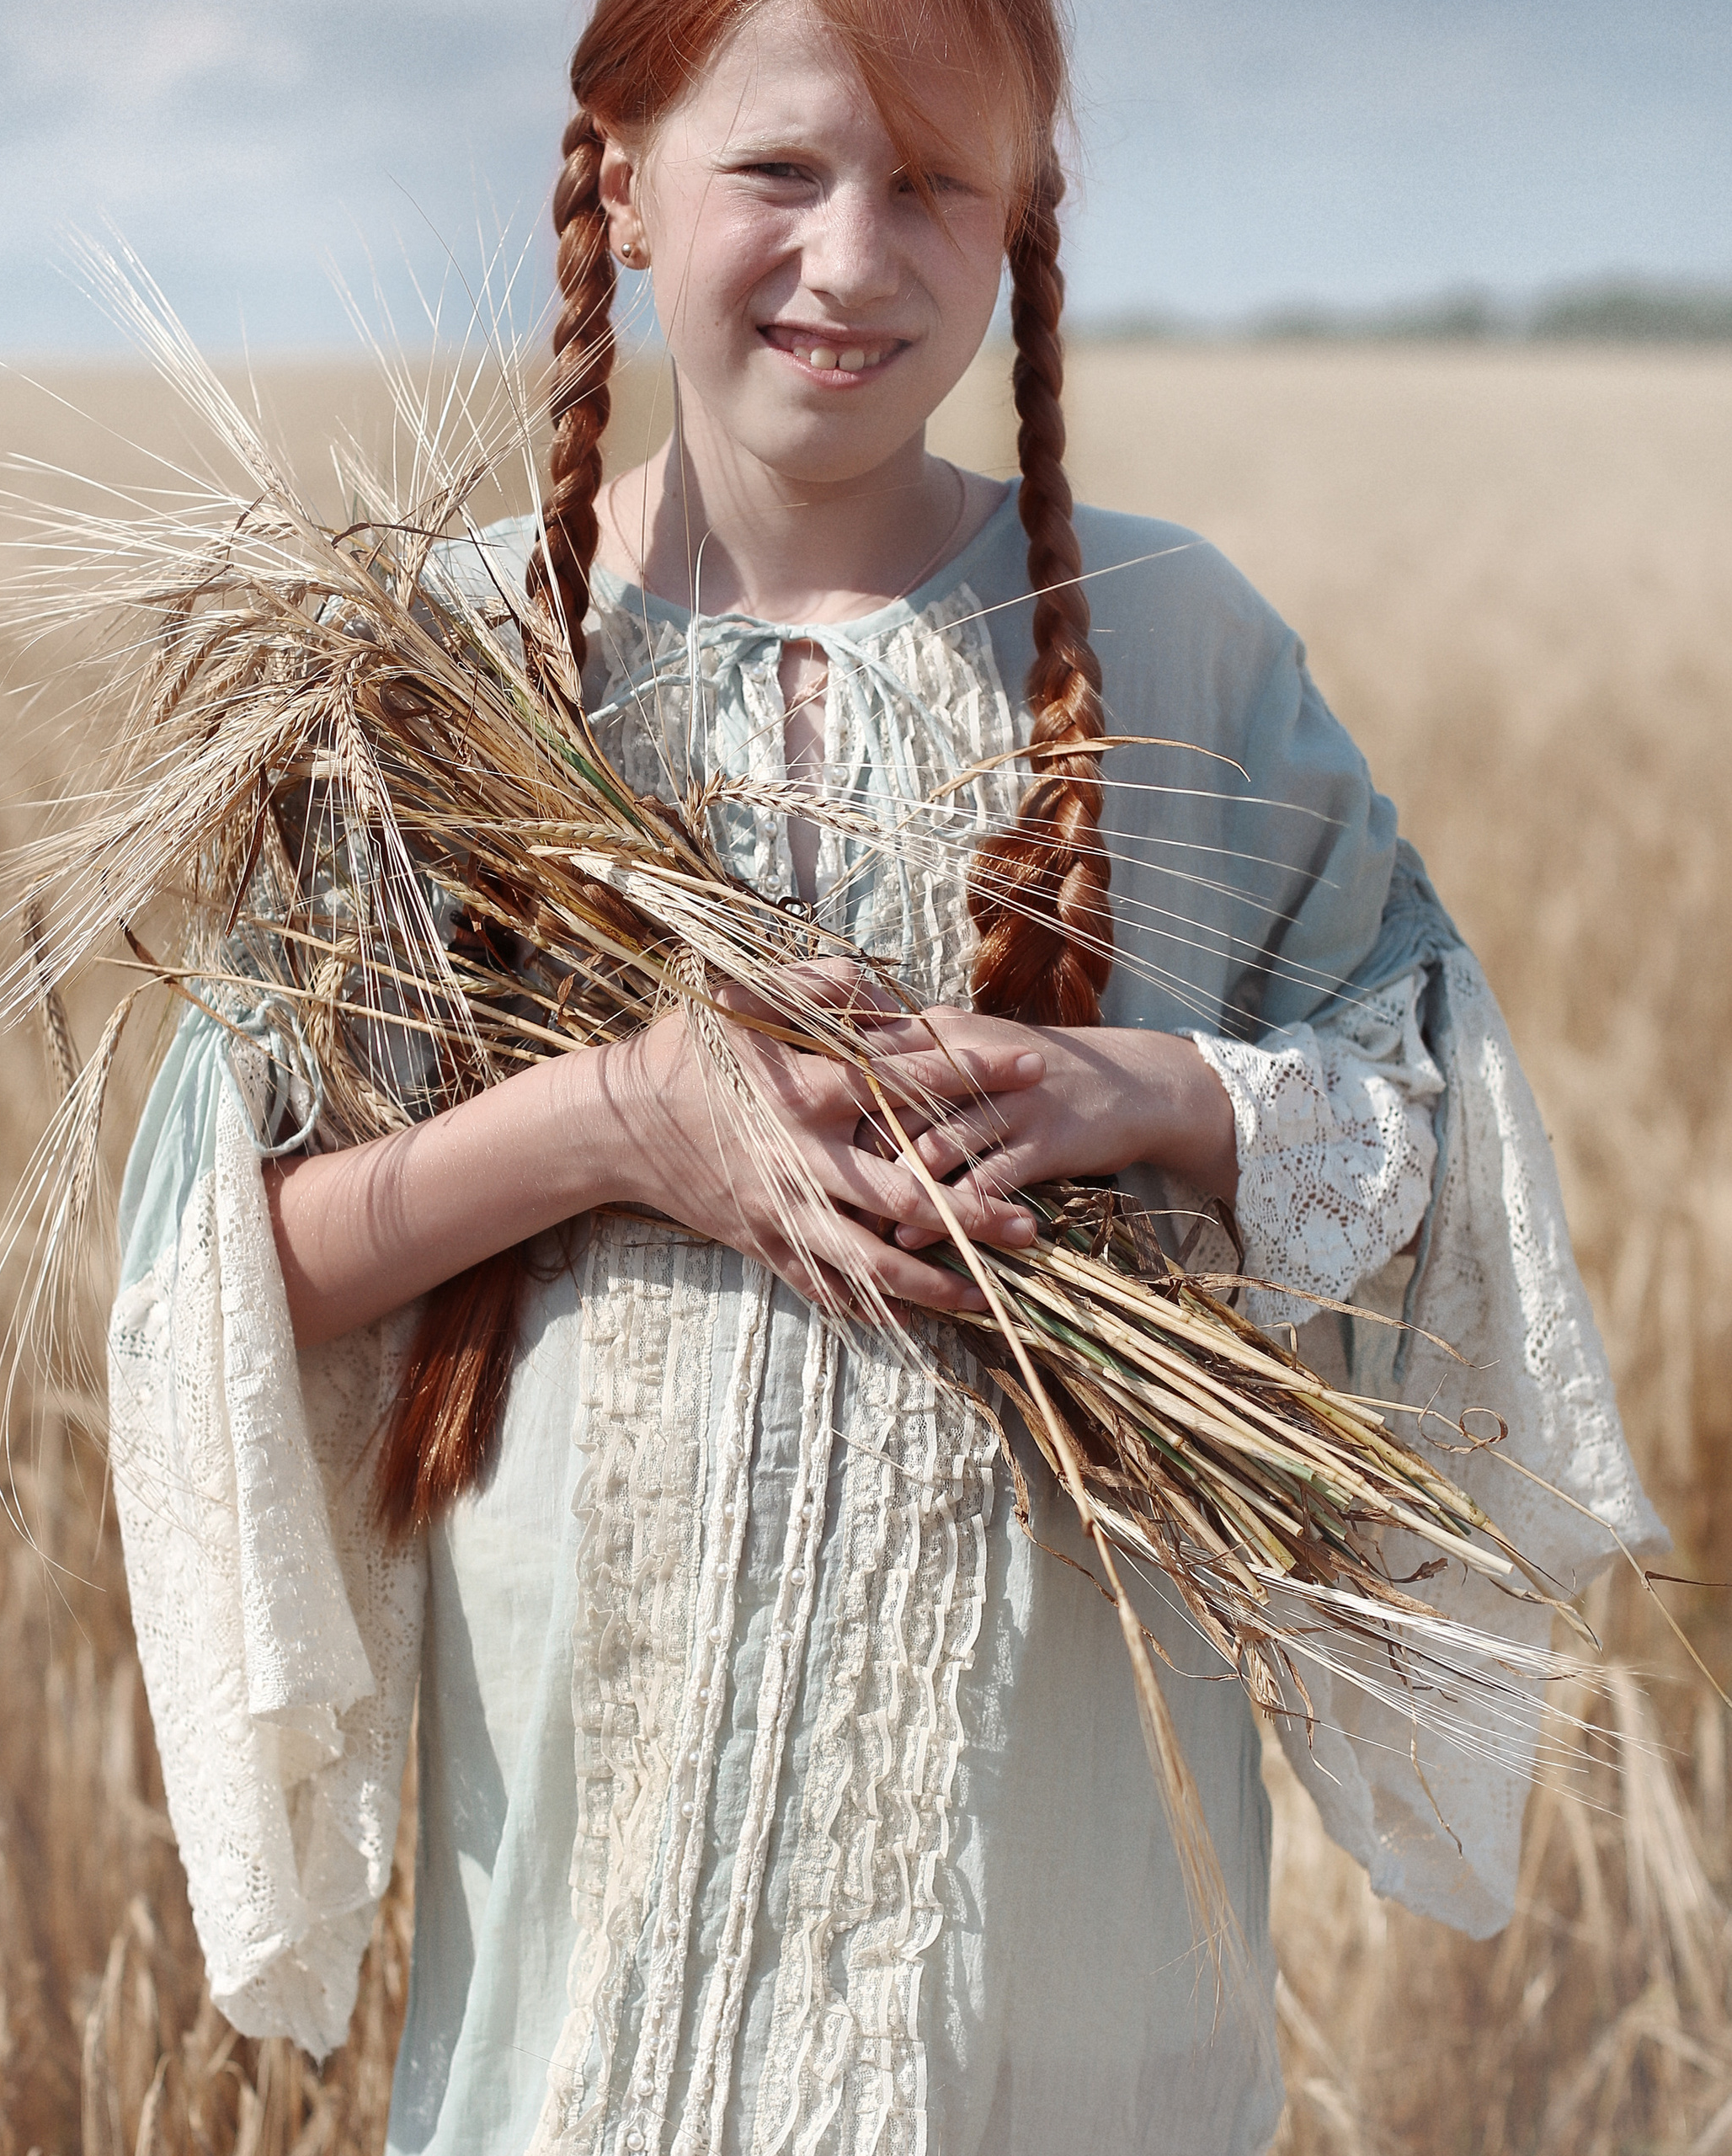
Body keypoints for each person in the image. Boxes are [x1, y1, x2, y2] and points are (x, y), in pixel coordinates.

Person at [104, 1, 1663, 2149]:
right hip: (608, 1874)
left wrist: (1158, 1092)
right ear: (621, 181)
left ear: (1023, 218)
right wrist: (606, 1120)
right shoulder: (436, 677)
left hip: (1073, 1894)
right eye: (779, 171)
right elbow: (225, 1267)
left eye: (933, 181)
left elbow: (1424, 1128)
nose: (852, 258)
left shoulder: (1174, 643)